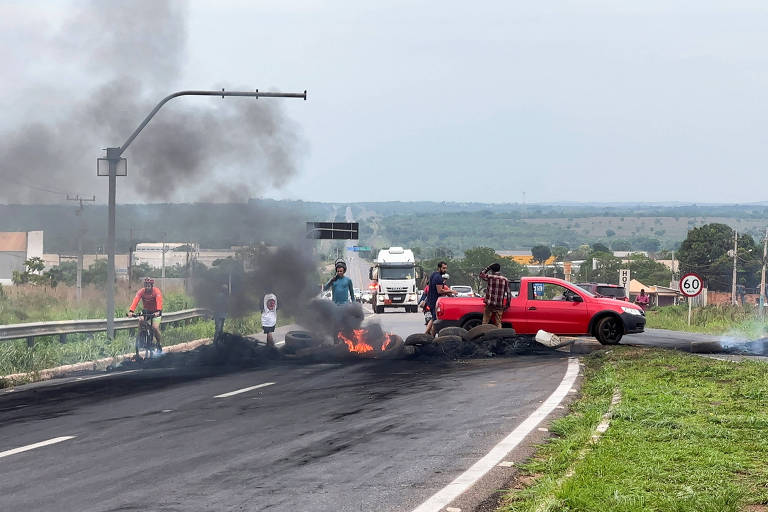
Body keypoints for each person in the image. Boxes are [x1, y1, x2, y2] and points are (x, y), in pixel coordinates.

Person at [127, 277, 163, 352]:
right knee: (141, 320)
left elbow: (159, 301)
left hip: (156, 311)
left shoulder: (156, 291)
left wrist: (158, 311)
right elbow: (135, 301)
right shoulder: (141, 292)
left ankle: (159, 343)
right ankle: (141, 339)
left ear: (152, 286)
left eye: (148, 286)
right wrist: (131, 311)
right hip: (146, 311)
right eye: (146, 285)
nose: (147, 287)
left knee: (155, 328)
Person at [425, 261, 458, 335]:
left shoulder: (433, 274)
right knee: (435, 320)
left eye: (446, 268)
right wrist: (451, 291)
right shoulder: (438, 277)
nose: (445, 270)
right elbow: (439, 291)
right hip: (434, 301)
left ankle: (426, 333)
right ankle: (432, 337)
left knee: (433, 318)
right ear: (439, 268)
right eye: (443, 268)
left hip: (430, 300)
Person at [479, 262, 510, 328]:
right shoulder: (505, 279)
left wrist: (488, 267)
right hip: (499, 304)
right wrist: (507, 305)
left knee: (485, 322)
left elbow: (481, 274)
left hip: (489, 303)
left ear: (492, 270)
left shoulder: (490, 277)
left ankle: (484, 335)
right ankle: (499, 336)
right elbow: (508, 293)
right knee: (498, 323)